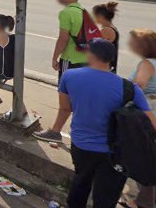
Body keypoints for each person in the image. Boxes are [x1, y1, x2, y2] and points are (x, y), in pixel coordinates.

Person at [36, 40, 155, 208]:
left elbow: (65, 109)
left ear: (90, 55)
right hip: (115, 153)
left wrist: (55, 131)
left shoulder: (69, 76)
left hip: (81, 146)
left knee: (80, 183)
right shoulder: (129, 88)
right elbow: (151, 123)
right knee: (106, 197)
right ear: (111, 59)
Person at [122, 29, 156, 208]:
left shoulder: (147, 63)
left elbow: (139, 85)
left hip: (145, 113)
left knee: (142, 154)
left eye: (134, 43)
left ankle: (143, 201)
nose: (130, 45)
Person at [52, 0, 88, 81]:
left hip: (70, 59)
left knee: (66, 87)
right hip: (86, 59)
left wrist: (55, 58)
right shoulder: (84, 12)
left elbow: (63, 38)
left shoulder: (66, 12)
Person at [92, 2, 120, 73]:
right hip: (108, 67)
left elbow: (94, 47)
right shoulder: (111, 28)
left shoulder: (106, 30)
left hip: (105, 68)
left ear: (100, 16)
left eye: (94, 15)